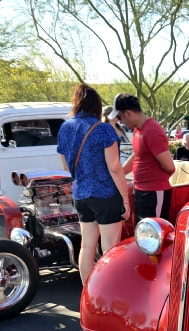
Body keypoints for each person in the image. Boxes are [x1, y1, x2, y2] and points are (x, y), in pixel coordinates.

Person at [57, 84, 130, 285]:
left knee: (87, 246)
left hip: (80, 193)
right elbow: (115, 167)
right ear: (96, 106)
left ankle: (88, 293)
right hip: (106, 194)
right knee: (110, 250)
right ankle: (106, 294)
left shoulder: (65, 127)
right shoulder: (104, 130)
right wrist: (125, 199)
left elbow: (65, 165)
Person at [109, 93, 175, 223]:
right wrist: (120, 172)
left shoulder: (152, 131)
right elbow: (137, 155)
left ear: (128, 113)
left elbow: (170, 167)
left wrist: (154, 180)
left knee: (154, 233)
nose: (120, 122)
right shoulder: (138, 130)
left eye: (119, 117)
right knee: (142, 232)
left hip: (154, 192)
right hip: (141, 190)